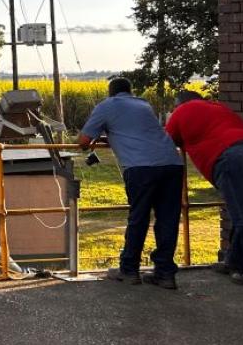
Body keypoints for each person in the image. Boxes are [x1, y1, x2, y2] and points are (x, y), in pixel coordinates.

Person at [78, 77, 185, 289]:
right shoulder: (143, 104)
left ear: (111, 92)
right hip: (172, 163)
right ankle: (165, 274)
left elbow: (83, 141)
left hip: (141, 168)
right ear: (130, 91)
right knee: (167, 220)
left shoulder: (107, 105)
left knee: (139, 218)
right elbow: (139, 132)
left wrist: (101, 137)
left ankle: (129, 270)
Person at [166, 90, 243, 288]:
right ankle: (233, 261)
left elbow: (166, 140)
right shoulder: (218, 107)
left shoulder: (182, 111)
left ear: (179, 104)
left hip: (235, 159)